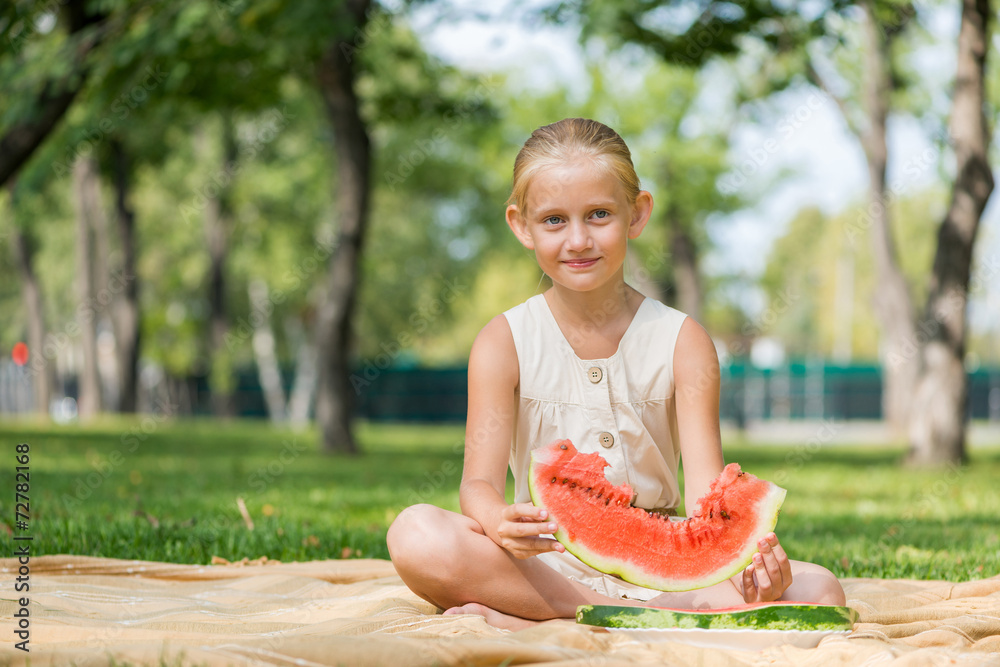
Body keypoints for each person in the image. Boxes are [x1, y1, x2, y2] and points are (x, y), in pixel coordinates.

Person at [387, 118, 846, 631]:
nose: (579, 239)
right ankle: (617, 615)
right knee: (416, 534)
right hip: (543, 562)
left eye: (599, 214)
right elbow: (478, 484)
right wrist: (497, 520)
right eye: (554, 220)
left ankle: (545, 617)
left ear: (637, 213)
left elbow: (706, 497)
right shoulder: (503, 342)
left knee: (820, 589)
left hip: (668, 566)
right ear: (521, 225)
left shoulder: (683, 341)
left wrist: (750, 564)